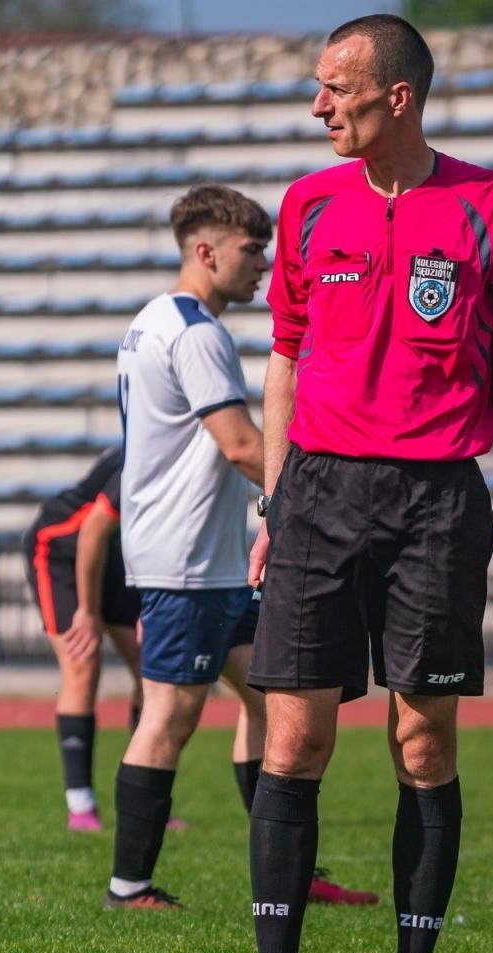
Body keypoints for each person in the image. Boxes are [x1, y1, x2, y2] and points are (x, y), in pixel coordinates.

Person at [215, 14, 493, 953]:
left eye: (336, 88)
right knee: (294, 740)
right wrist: (277, 498)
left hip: (437, 498)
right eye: (318, 88)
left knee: (423, 741)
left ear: (395, 96)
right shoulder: (310, 204)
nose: (318, 106)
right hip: (318, 492)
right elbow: (281, 356)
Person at [107, 184, 376, 913]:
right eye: (252, 250)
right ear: (206, 251)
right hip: (186, 559)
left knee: (274, 697)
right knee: (171, 714)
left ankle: (290, 871)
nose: (263, 264)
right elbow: (239, 444)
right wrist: (325, 493)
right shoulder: (194, 331)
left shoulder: (153, 321)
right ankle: (128, 885)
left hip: (216, 557)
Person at [24, 447, 141, 832]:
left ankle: (144, 796)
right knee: (82, 666)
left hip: (111, 552)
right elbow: (92, 528)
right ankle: (81, 805)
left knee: (152, 669)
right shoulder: (146, 447)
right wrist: (88, 613)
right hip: (60, 547)